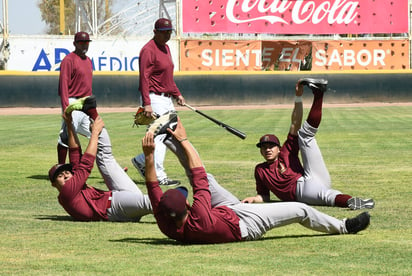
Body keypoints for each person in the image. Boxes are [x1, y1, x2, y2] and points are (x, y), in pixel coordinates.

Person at [141, 117, 371, 244]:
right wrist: (185, 139)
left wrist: (150, 154)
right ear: (186, 210)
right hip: (245, 225)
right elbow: (198, 173)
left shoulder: (165, 222)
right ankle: (343, 227)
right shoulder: (198, 215)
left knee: (204, 179)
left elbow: (152, 186)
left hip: (224, 212)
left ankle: (166, 136)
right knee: (301, 209)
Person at [241, 78, 375, 210]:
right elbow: (264, 196)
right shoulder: (260, 170)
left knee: (305, 135)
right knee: (328, 196)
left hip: (311, 177)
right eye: (264, 148)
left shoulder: (286, 151)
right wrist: (253, 199)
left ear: (278, 148)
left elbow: (295, 122)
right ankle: (354, 202)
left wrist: (298, 96)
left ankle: (319, 93)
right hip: (303, 192)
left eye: (271, 146)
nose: (267, 150)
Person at [48, 99, 152, 222]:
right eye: (59, 175)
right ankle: (179, 205)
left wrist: (70, 124)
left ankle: (92, 112)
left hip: (119, 202)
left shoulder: (73, 185)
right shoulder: (67, 193)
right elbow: (86, 164)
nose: (65, 175)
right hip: (114, 207)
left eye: (66, 172)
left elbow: (74, 152)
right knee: (152, 202)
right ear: (54, 184)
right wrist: (95, 133)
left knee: (106, 157)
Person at [131, 18, 185, 186]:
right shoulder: (148, 50)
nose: (167, 34)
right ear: (155, 32)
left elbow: (168, 77)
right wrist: (147, 103)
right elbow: (144, 78)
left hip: (166, 98)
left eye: (169, 31)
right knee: (160, 135)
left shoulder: (166, 48)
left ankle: (141, 160)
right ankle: (159, 175)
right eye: (164, 32)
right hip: (153, 98)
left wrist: (177, 94)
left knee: (165, 135)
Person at [56, 31, 96, 164]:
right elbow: (63, 85)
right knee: (67, 136)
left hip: (86, 103)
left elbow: (88, 86)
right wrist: (66, 107)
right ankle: (61, 167)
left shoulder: (88, 60)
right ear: (75, 43)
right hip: (73, 102)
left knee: (97, 135)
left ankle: (107, 169)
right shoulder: (68, 60)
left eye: (86, 42)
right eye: (81, 42)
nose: (84, 45)